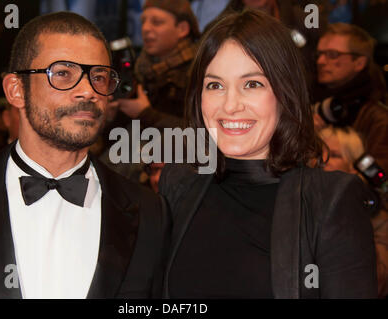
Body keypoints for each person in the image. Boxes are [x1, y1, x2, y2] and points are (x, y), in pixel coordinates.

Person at [0, 12, 168, 299]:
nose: (87, 91)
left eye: (98, 77)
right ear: (16, 90)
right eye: (62, 74)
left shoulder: (149, 212)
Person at [159, 10, 377, 298]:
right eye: (215, 85)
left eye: (252, 84)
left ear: (284, 93)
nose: (230, 105)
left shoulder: (331, 200)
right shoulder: (178, 183)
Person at [319, 126, 388, 298]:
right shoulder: (299, 201)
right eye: (319, 153)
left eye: (334, 155)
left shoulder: (377, 217)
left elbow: (375, 282)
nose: (323, 160)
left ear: (353, 169)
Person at [313, 23, 388, 172]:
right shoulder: (308, 102)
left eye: (333, 54)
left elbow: (380, 182)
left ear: (359, 63)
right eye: (319, 54)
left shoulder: (378, 120)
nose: (320, 61)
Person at [115, 0, 200, 129]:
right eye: (143, 21)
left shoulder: (200, 71)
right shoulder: (140, 67)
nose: (145, 28)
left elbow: (203, 133)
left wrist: (146, 114)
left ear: (182, 29)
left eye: (157, 22)